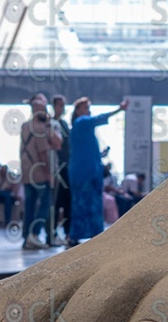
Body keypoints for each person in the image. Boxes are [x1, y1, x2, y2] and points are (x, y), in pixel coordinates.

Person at [67, 96, 128, 244]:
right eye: (86, 108)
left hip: (86, 172)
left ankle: (84, 234)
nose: (88, 111)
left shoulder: (81, 128)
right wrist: (119, 109)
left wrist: (100, 155)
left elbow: (86, 152)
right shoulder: (82, 122)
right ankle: (88, 234)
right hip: (85, 174)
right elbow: (98, 119)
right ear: (78, 110)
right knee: (86, 204)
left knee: (85, 203)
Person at [20, 94, 61, 249]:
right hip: (39, 172)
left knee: (29, 206)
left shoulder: (25, 126)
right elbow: (44, 152)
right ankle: (35, 234)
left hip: (26, 171)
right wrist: (48, 173)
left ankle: (27, 236)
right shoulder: (40, 128)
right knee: (45, 204)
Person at [50, 95, 72, 245]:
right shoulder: (50, 124)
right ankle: (52, 233)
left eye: (63, 105)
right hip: (56, 169)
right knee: (56, 203)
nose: (62, 108)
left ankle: (67, 232)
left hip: (67, 168)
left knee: (67, 201)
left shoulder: (64, 124)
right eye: (59, 105)